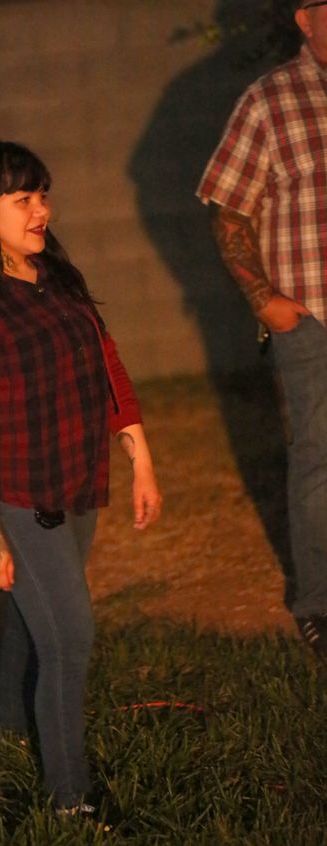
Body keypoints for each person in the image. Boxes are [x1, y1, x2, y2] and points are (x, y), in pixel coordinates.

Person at [0, 140, 162, 821]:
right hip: (17, 494)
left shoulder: (54, 275)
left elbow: (107, 362)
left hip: (77, 478)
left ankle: (10, 731)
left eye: (43, 195)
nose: (41, 210)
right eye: (22, 199)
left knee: (37, 620)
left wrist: (140, 458)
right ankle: (70, 801)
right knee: (70, 636)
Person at [197, 0, 327, 660]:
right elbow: (229, 209)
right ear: (306, 19)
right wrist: (262, 297)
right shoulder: (269, 101)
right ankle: (319, 604)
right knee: (319, 461)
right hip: (311, 316)